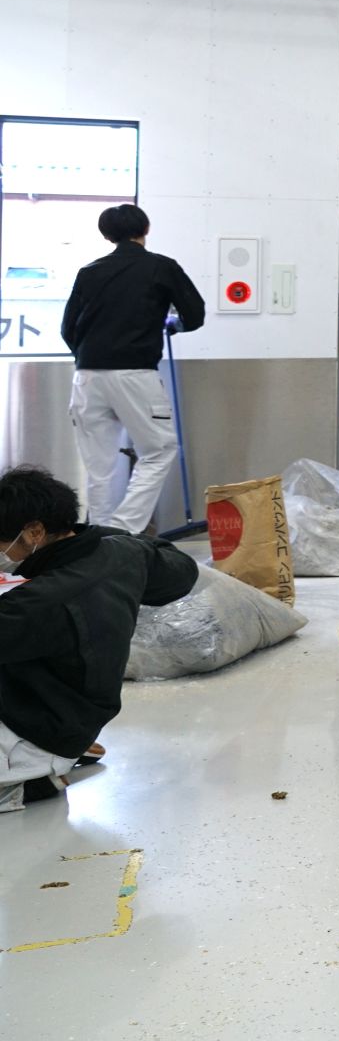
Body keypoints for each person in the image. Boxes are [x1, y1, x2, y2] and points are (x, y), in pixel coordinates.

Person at [0, 465, 199, 813]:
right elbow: (181, 571)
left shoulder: (38, 604)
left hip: (40, 726)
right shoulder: (121, 551)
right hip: (75, 705)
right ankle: (70, 749)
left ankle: (35, 775)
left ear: (34, 532)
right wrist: (106, 537)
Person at [60, 205, 206, 535]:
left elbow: (68, 328)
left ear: (107, 235)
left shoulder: (88, 272)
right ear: (146, 228)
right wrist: (173, 325)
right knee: (159, 451)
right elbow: (195, 314)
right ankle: (123, 530)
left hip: (87, 376)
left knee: (99, 466)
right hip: (135, 375)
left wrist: (88, 356)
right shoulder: (161, 267)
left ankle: (100, 536)